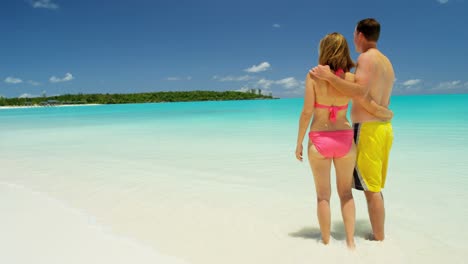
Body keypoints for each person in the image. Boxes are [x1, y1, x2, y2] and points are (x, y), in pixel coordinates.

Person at [295, 32, 392, 249]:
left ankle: (326, 242)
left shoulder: (313, 76)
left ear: (324, 50)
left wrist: (299, 142)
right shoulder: (350, 79)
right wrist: (384, 113)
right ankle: (350, 243)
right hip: (346, 140)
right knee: (346, 194)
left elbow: (306, 112)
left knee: (322, 196)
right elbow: (365, 98)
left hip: (320, 139)